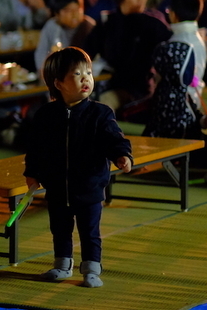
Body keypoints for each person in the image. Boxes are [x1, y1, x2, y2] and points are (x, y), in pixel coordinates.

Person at [24, 47, 133, 288]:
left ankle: (91, 269)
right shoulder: (46, 115)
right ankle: (62, 265)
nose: (86, 78)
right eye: (77, 74)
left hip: (90, 187)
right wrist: (32, 173)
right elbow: (35, 148)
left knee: (89, 231)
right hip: (57, 187)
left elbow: (114, 139)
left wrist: (122, 155)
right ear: (58, 83)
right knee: (60, 228)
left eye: (88, 72)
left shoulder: (100, 113)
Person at [84, 0, 172, 111]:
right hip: (111, 82)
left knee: (105, 103)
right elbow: (87, 51)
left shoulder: (153, 23)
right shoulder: (108, 23)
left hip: (141, 87)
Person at [34, 0, 95, 75]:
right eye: (68, 10)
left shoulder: (89, 26)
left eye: (78, 9)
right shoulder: (52, 26)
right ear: (57, 14)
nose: (74, 14)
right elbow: (41, 53)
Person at [166, 0, 207, 106]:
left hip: (177, 104)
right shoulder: (196, 38)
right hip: (193, 100)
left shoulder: (178, 41)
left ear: (174, 14)